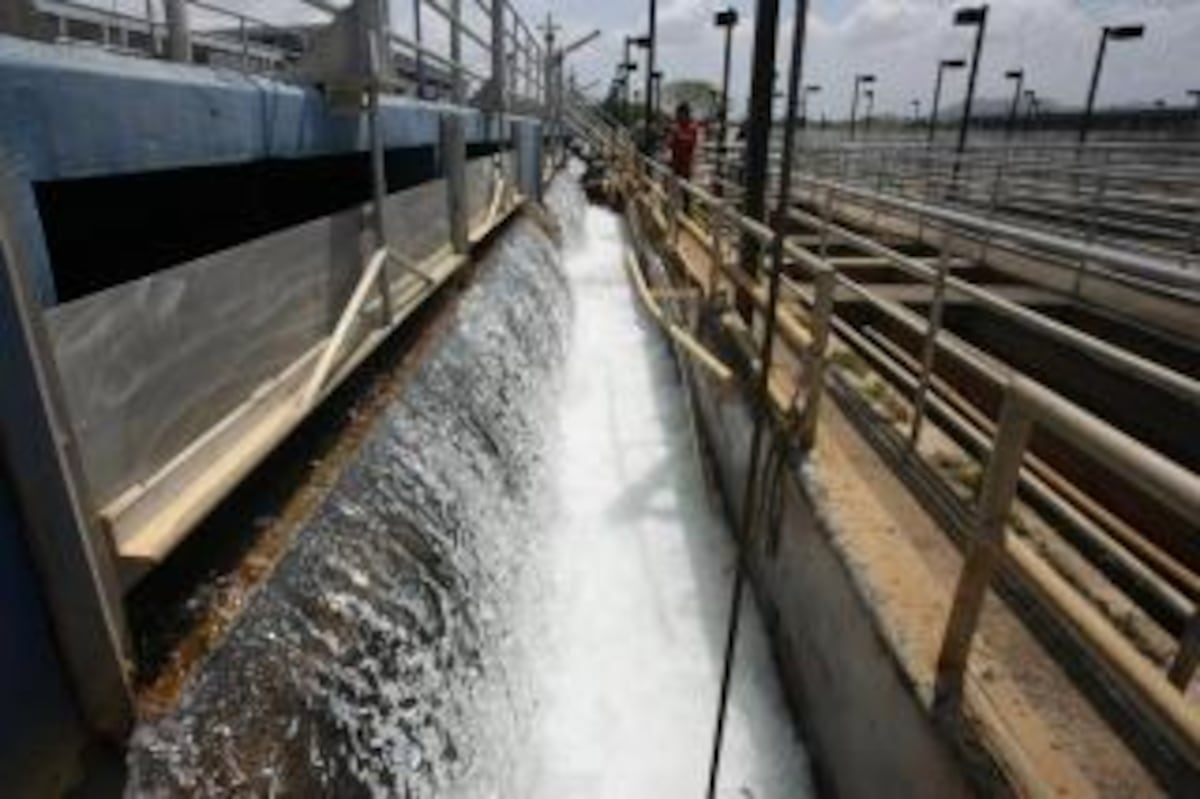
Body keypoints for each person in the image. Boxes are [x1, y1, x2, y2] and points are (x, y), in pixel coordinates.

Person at [667, 102, 701, 181]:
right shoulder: (675, 128)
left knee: (685, 186)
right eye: (679, 113)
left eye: (683, 113)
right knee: (675, 185)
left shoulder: (692, 128)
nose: (681, 116)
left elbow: (694, 145)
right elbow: (669, 144)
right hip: (675, 164)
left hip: (687, 165)